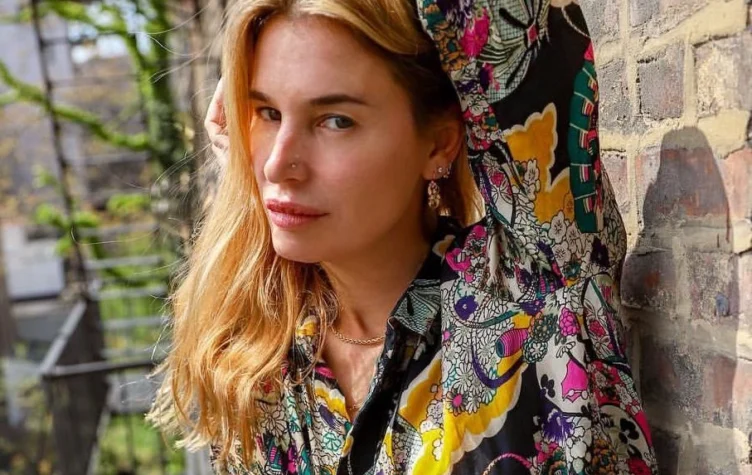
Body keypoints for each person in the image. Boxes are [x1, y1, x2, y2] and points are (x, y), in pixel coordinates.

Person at [147, 0, 658, 473]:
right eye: (267, 112)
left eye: (336, 121)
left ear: (438, 144)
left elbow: (507, 22)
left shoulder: (531, 284)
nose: (278, 164)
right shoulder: (256, 364)